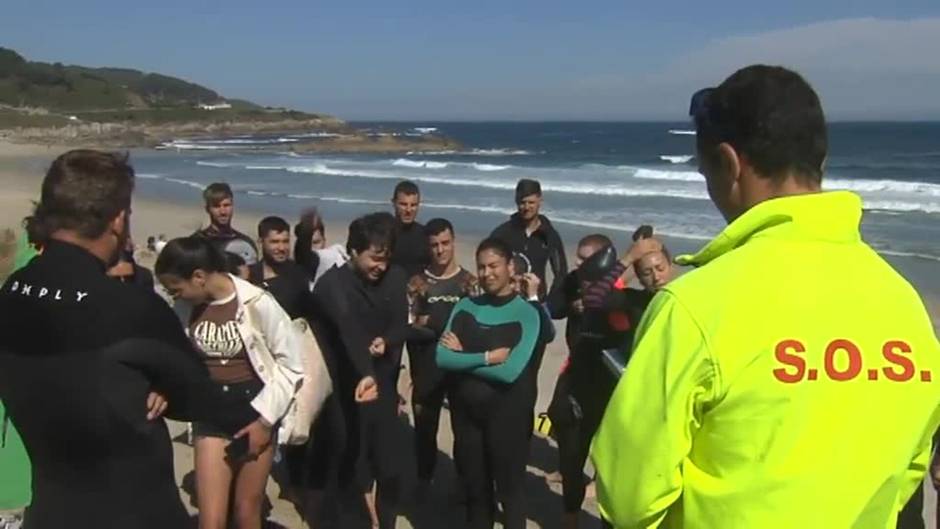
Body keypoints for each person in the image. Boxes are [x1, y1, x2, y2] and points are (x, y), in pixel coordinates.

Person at [592, 65, 940, 528]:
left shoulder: (696, 306)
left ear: (730, 164)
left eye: (704, 168)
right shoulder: (903, 302)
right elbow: (907, 471)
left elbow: (629, 496)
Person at [0, 150, 261, 529]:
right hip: (134, 510)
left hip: (49, 508)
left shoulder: (11, 293)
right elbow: (200, 398)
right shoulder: (131, 308)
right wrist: (163, 386)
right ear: (118, 220)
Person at [155, 236, 304, 529]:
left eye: (177, 289)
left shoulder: (257, 303)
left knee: (246, 512)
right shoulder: (186, 309)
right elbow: (175, 358)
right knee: (211, 520)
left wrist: (265, 422)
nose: (175, 296)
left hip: (255, 412)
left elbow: (291, 366)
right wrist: (163, 387)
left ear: (198, 277)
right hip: (211, 415)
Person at [436, 237, 554, 529]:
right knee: (477, 492)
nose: (487, 273)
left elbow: (511, 371)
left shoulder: (527, 313)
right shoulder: (465, 306)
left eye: (494, 266)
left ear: (510, 267)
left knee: (511, 493)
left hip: (508, 418)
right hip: (467, 417)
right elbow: (442, 358)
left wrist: (463, 356)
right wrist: (488, 358)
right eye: (482, 267)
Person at [309, 212, 408, 529]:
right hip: (344, 388)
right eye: (374, 258)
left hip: (383, 384)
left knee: (390, 469)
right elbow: (347, 326)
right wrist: (365, 371)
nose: (381, 266)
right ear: (352, 251)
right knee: (349, 467)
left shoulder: (395, 276)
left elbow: (399, 325)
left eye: (386, 258)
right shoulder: (331, 284)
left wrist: (388, 343)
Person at [406, 218, 477, 489]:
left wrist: (430, 323)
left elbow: (475, 328)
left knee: (464, 430)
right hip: (426, 369)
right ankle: (424, 480)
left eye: (445, 243)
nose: (440, 250)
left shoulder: (468, 283)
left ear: (453, 242)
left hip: (460, 370)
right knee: (424, 429)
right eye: (434, 245)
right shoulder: (417, 283)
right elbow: (409, 326)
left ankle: (463, 482)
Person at [490, 178, 567, 300]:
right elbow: (490, 266)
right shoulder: (502, 234)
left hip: (537, 300)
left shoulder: (549, 235)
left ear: (540, 200)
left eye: (531, 202)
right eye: (522, 202)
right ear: (516, 202)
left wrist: (552, 303)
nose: (526, 207)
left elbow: (561, 272)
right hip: (507, 300)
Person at [248, 216, 310, 319]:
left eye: (285, 241)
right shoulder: (250, 275)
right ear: (260, 242)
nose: (281, 248)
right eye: (275, 242)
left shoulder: (299, 276)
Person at [193, 182, 259, 265]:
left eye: (226, 205)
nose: (223, 212)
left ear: (232, 206)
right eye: (216, 206)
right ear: (207, 209)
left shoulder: (245, 242)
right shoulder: (197, 242)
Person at [294, 208, 348, 288]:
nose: (312, 249)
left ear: (324, 241)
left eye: (316, 243)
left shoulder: (335, 261)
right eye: (307, 244)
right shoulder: (293, 272)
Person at [389, 180, 430, 278]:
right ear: (394, 203)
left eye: (413, 205)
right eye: (403, 204)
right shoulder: (383, 233)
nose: (408, 210)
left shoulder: (425, 234)